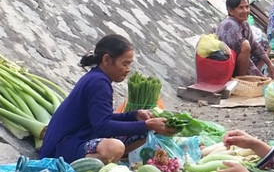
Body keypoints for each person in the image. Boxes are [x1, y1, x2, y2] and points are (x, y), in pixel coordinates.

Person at [39, 34, 173, 163]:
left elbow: (103, 118)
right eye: (125, 64)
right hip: (60, 149)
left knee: (143, 131)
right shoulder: (99, 83)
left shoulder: (97, 77)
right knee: (115, 148)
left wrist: (134, 115)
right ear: (106, 60)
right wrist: (146, 124)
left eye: (129, 64)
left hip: (73, 140)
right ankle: (73, 169)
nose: (128, 69)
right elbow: (103, 127)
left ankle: (108, 161)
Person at [216, 0, 274, 78]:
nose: (245, 11)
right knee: (245, 45)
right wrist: (257, 75)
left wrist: (269, 63)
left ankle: (255, 73)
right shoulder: (230, 25)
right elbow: (240, 52)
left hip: (237, 59)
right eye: (241, 8)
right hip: (225, 62)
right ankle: (242, 78)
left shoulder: (244, 24)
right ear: (231, 11)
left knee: (264, 45)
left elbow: (255, 45)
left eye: (247, 7)